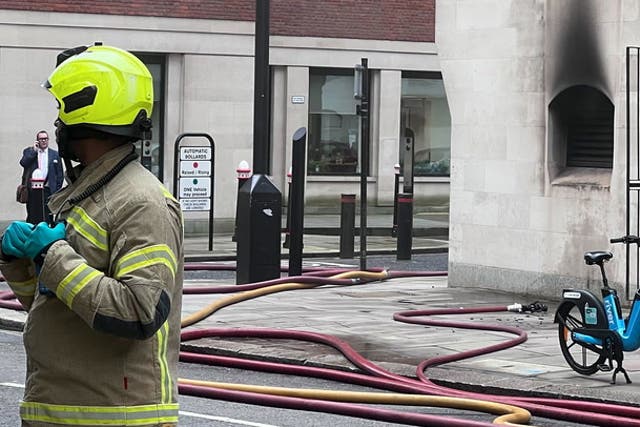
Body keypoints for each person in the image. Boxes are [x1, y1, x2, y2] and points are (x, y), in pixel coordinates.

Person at [0, 43, 183, 427]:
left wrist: (53, 256)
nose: (57, 125)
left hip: (113, 417)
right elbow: (60, 304)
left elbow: (139, 312)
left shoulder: (141, 202)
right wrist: (20, 264)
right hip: (68, 410)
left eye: (61, 112)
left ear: (85, 113)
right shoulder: (91, 194)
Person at [20, 130, 64, 223]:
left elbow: (60, 174)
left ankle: (47, 232)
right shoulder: (29, 151)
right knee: (33, 213)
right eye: (41, 139)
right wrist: (34, 151)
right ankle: (32, 232)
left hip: (48, 190)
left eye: (45, 139)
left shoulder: (55, 155)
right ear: (37, 141)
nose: (44, 141)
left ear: (48, 140)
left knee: (48, 214)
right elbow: (23, 163)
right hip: (33, 190)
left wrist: (56, 190)